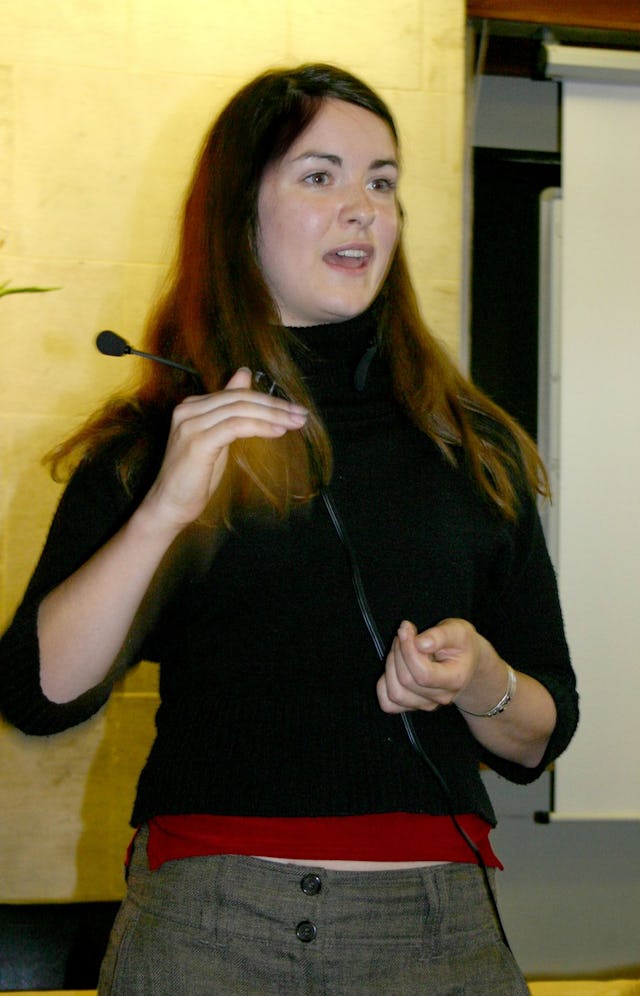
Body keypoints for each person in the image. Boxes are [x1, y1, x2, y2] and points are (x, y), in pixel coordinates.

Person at [0, 63, 578, 994]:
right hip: (208, 926)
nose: (362, 207)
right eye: (320, 175)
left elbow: (542, 732)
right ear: (240, 215)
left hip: (438, 930)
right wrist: (164, 511)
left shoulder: (472, 447)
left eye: (381, 182)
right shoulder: (156, 444)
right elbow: (40, 694)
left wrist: (482, 679)